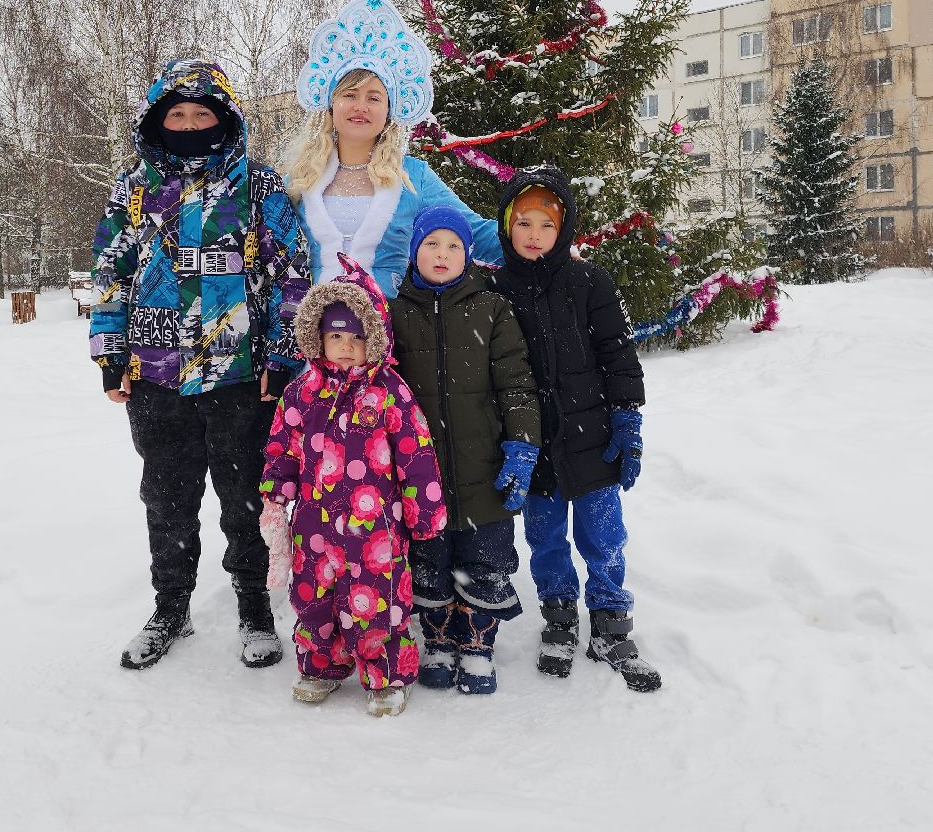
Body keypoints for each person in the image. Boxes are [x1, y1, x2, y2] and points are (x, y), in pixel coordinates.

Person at [90, 59, 309, 671]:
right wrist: (111, 354)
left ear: (225, 117)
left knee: (245, 497)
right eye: (177, 114)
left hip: (239, 375)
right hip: (155, 373)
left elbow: (290, 273)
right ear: (158, 121)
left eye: (201, 113)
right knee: (166, 496)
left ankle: (253, 605)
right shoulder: (132, 190)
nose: (189, 123)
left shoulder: (258, 186)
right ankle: (171, 604)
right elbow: (111, 273)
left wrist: (284, 354)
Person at [487, 166, 662, 691]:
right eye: (524, 223)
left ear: (563, 228)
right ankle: (559, 618)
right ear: (507, 227)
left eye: (547, 223)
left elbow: (618, 355)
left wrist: (627, 420)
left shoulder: (591, 281)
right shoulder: (494, 289)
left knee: (604, 536)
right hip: (532, 447)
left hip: (594, 440)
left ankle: (610, 621)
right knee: (545, 540)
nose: (535, 234)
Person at [261, 255, 447, 718]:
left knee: (378, 605)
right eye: (336, 336)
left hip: (375, 533)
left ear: (375, 339)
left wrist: (425, 512)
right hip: (313, 528)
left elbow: (417, 455)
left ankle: (386, 675)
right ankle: (320, 666)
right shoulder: (299, 393)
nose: (345, 347)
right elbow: (282, 449)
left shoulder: (389, 392)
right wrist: (275, 496)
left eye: (357, 338)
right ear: (318, 337)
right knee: (313, 599)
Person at [388, 206, 540, 695]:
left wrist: (521, 446)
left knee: (485, 558)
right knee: (428, 561)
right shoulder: (395, 313)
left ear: (468, 255)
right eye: (432, 243)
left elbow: (516, 384)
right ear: (415, 252)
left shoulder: (491, 309)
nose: (442, 254)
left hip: (485, 462)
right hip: (419, 470)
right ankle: (437, 641)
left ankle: (477, 644)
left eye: (453, 245)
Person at [282, 0, 501, 299]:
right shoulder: (299, 180)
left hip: (393, 334)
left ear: (388, 112)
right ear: (332, 105)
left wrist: (546, 246)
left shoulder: (413, 178)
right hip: (317, 336)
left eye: (374, 98)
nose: (361, 106)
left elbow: (475, 233)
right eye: (350, 95)